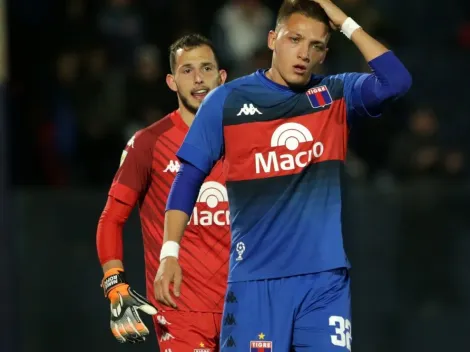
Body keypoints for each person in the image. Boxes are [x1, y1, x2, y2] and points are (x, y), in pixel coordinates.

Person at [155, 0, 412, 351]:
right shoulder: (227, 101)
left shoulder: (335, 95)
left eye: (316, 45)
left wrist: (344, 21)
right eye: (295, 39)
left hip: (325, 282)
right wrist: (169, 253)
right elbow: (187, 179)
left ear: (324, 53)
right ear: (272, 39)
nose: (303, 53)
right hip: (256, 282)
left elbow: (396, 80)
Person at [96, 33, 229, 351]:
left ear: (222, 77)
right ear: (171, 81)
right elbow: (112, 218)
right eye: (187, 70)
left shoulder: (247, 139)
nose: (198, 79)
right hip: (181, 311)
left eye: (207, 68)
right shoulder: (148, 144)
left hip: (246, 306)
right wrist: (115, 283)